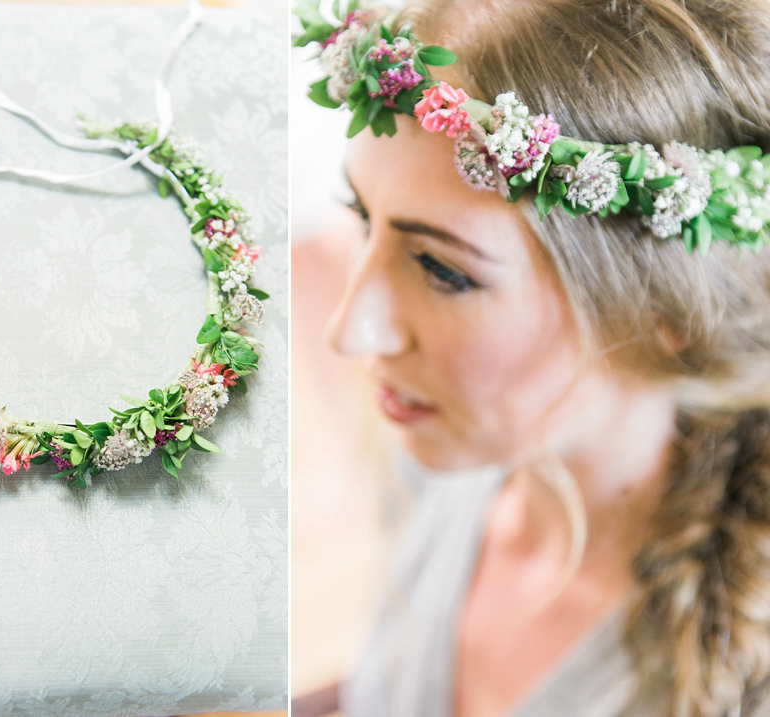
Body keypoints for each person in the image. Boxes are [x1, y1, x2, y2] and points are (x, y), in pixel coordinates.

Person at [293, 0, 770, 715]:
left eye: (444, 270)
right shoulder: (450, 464)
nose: (351, 330)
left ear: (665, 309)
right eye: (363, 217)